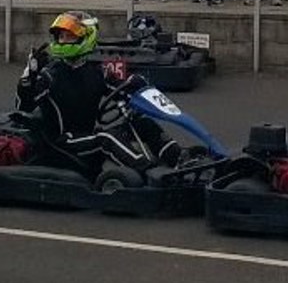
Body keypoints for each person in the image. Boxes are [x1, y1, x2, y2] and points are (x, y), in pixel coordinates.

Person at [14, 11, 181, 182]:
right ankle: (151, 172)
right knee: (106, 138)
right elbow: (23, 109)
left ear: (87, 38)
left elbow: (122, 91)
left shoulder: (96, 72)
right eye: (61, 36)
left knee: (142, 123)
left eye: (69, 36)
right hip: (62, 142)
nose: (63, 41)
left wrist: (136, 85)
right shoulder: (49, 75)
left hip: (87, 135)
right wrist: (28, 78)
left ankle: (179, 159)